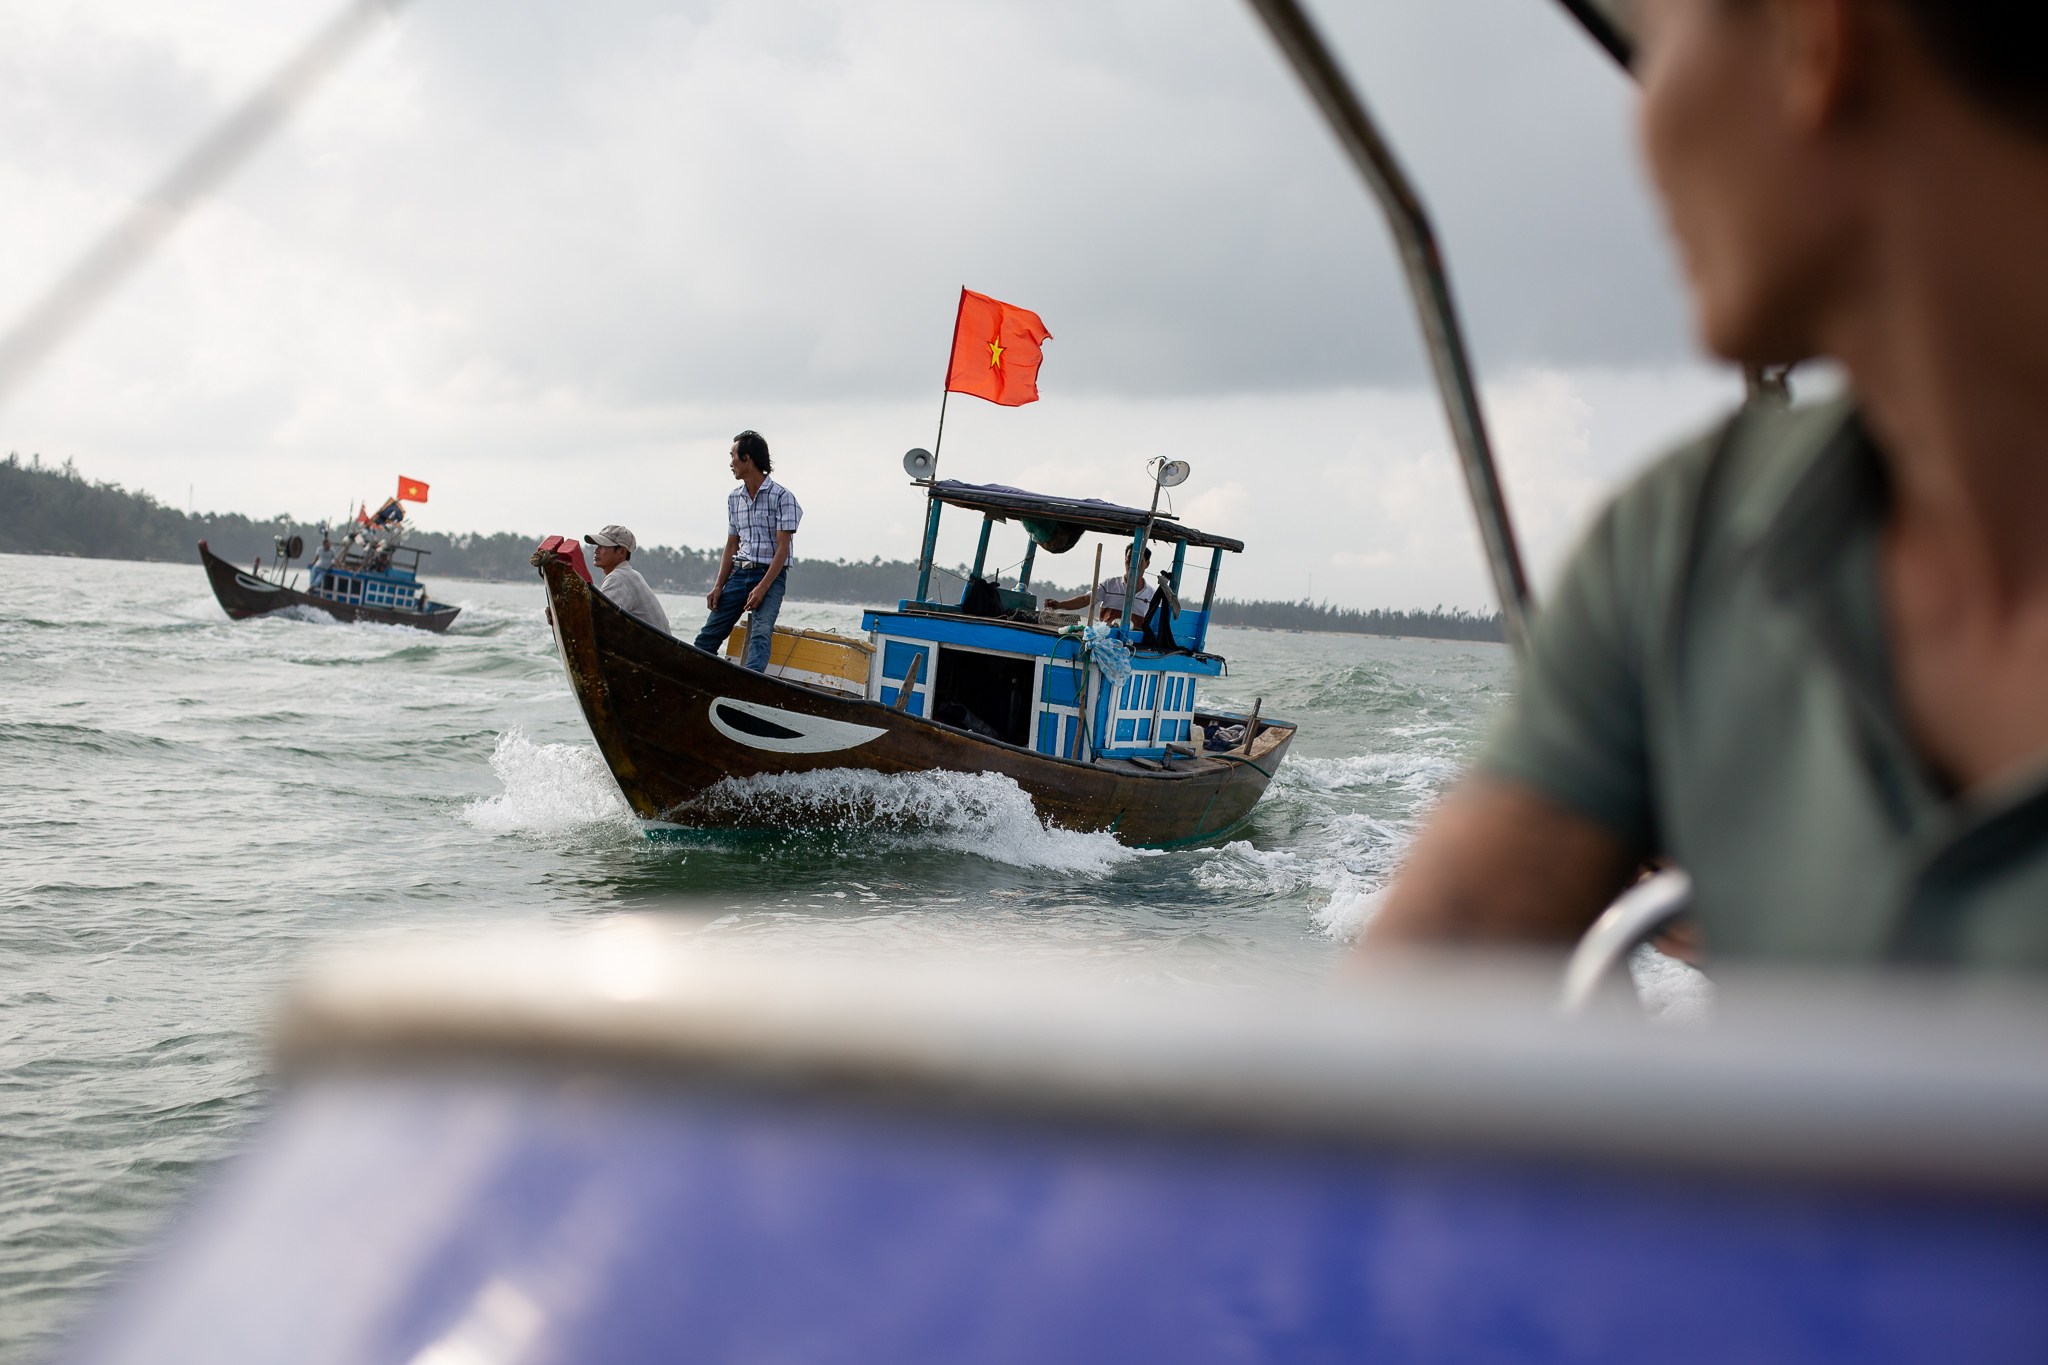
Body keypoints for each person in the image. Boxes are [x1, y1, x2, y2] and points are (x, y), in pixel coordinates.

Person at [1364, 0, 2048, 970]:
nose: (1638, 122)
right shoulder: (1677, 545)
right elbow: (1394, 1033)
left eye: (1653, 35)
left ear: (1812, 43)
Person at [694, 430, 801, 670]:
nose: (730, 463)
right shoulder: (734, 499)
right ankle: (696, 679)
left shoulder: (783, 497)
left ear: (747, 459)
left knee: (760, 635)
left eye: (733, 456)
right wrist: (718, 585)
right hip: (739, 573)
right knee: (708, 636)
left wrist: (762, 587)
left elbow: (783, 550)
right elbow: (731, 545)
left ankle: (750, 687)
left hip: (770, 577)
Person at [585, 525, 670, 635]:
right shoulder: (628, 574)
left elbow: (597, 618)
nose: (596, 551)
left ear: (621, 552)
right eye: (597, 546)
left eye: (603, 546)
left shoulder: (619, 578)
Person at [1047, 544, 1153, 623]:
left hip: (1136, 643)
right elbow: (1086, 599)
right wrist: (1059, 605)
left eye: (1138, 560)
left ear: (1147, 564)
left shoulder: (1151, 595)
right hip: (1105, 638)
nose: (1132, 564)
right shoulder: (1109, 584)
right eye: (1129, 559)